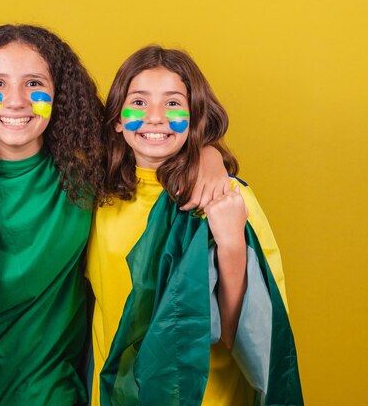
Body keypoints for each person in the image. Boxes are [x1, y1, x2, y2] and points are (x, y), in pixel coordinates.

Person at [0, 26, 228, 406]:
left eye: (34, 83)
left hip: (49, 388)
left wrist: (208, 156)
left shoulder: (90, 175)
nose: (17, 101)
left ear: (58, 94)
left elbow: (152, 144)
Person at [86, 46, 303, 406]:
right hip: (118, 394)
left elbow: (244, 335)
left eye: (173, 103)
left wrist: (231, 241)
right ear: (117, 120)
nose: (155, 116)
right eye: (138, 102)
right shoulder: (95, 198)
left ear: (195, 116)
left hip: (205, 396)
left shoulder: (226, 197)